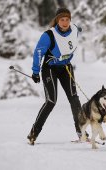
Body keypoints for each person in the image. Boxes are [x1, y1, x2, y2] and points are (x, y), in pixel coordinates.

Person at [27, 7, 85, 145]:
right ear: (57, 20)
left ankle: (81, 132)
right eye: (62, 19)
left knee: (74, 99)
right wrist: (35, 72)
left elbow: (78, 29)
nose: (65, 23)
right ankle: (33, 133)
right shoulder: (49, 35)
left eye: (67, 19)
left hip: (65, 67)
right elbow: (38, 52)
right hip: (50, 69)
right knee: (51, 101)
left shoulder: (74, 30)